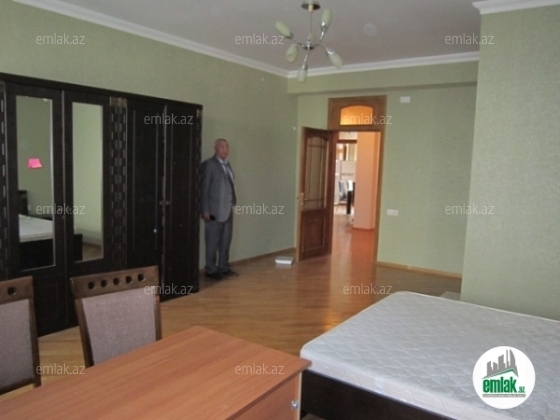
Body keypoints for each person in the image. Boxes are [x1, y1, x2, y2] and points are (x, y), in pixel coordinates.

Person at [200, 138, 238, 280]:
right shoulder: (209, 165)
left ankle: (223, 267)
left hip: (227, 210)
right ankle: (210, 269)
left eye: (227, 147)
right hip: (213, 211)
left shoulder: (227, 165)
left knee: (226, 241)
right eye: (221, 147)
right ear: (215, 148)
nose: (225, 149)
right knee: (212, 242)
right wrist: (205, 211)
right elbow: (204, 189)